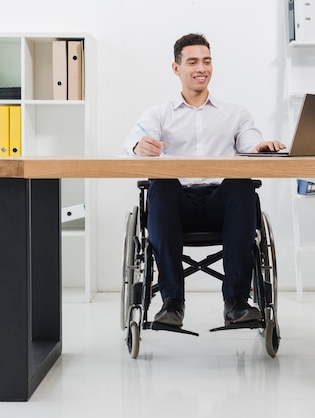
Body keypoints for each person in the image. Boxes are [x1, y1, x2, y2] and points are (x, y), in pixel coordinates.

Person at [123, 33, 285, 328]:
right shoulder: (160, 113)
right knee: (162, 181)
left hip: (221, 207)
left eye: (207, 61)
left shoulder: (235, 113)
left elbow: (251, 144)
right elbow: (134, 138)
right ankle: (171, 303)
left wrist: (259, 148)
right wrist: (138, 146)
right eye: (193, 61)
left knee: (240, 180)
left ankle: (236, 303)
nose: (202, 68)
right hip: (176, 205)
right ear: (177, 68)